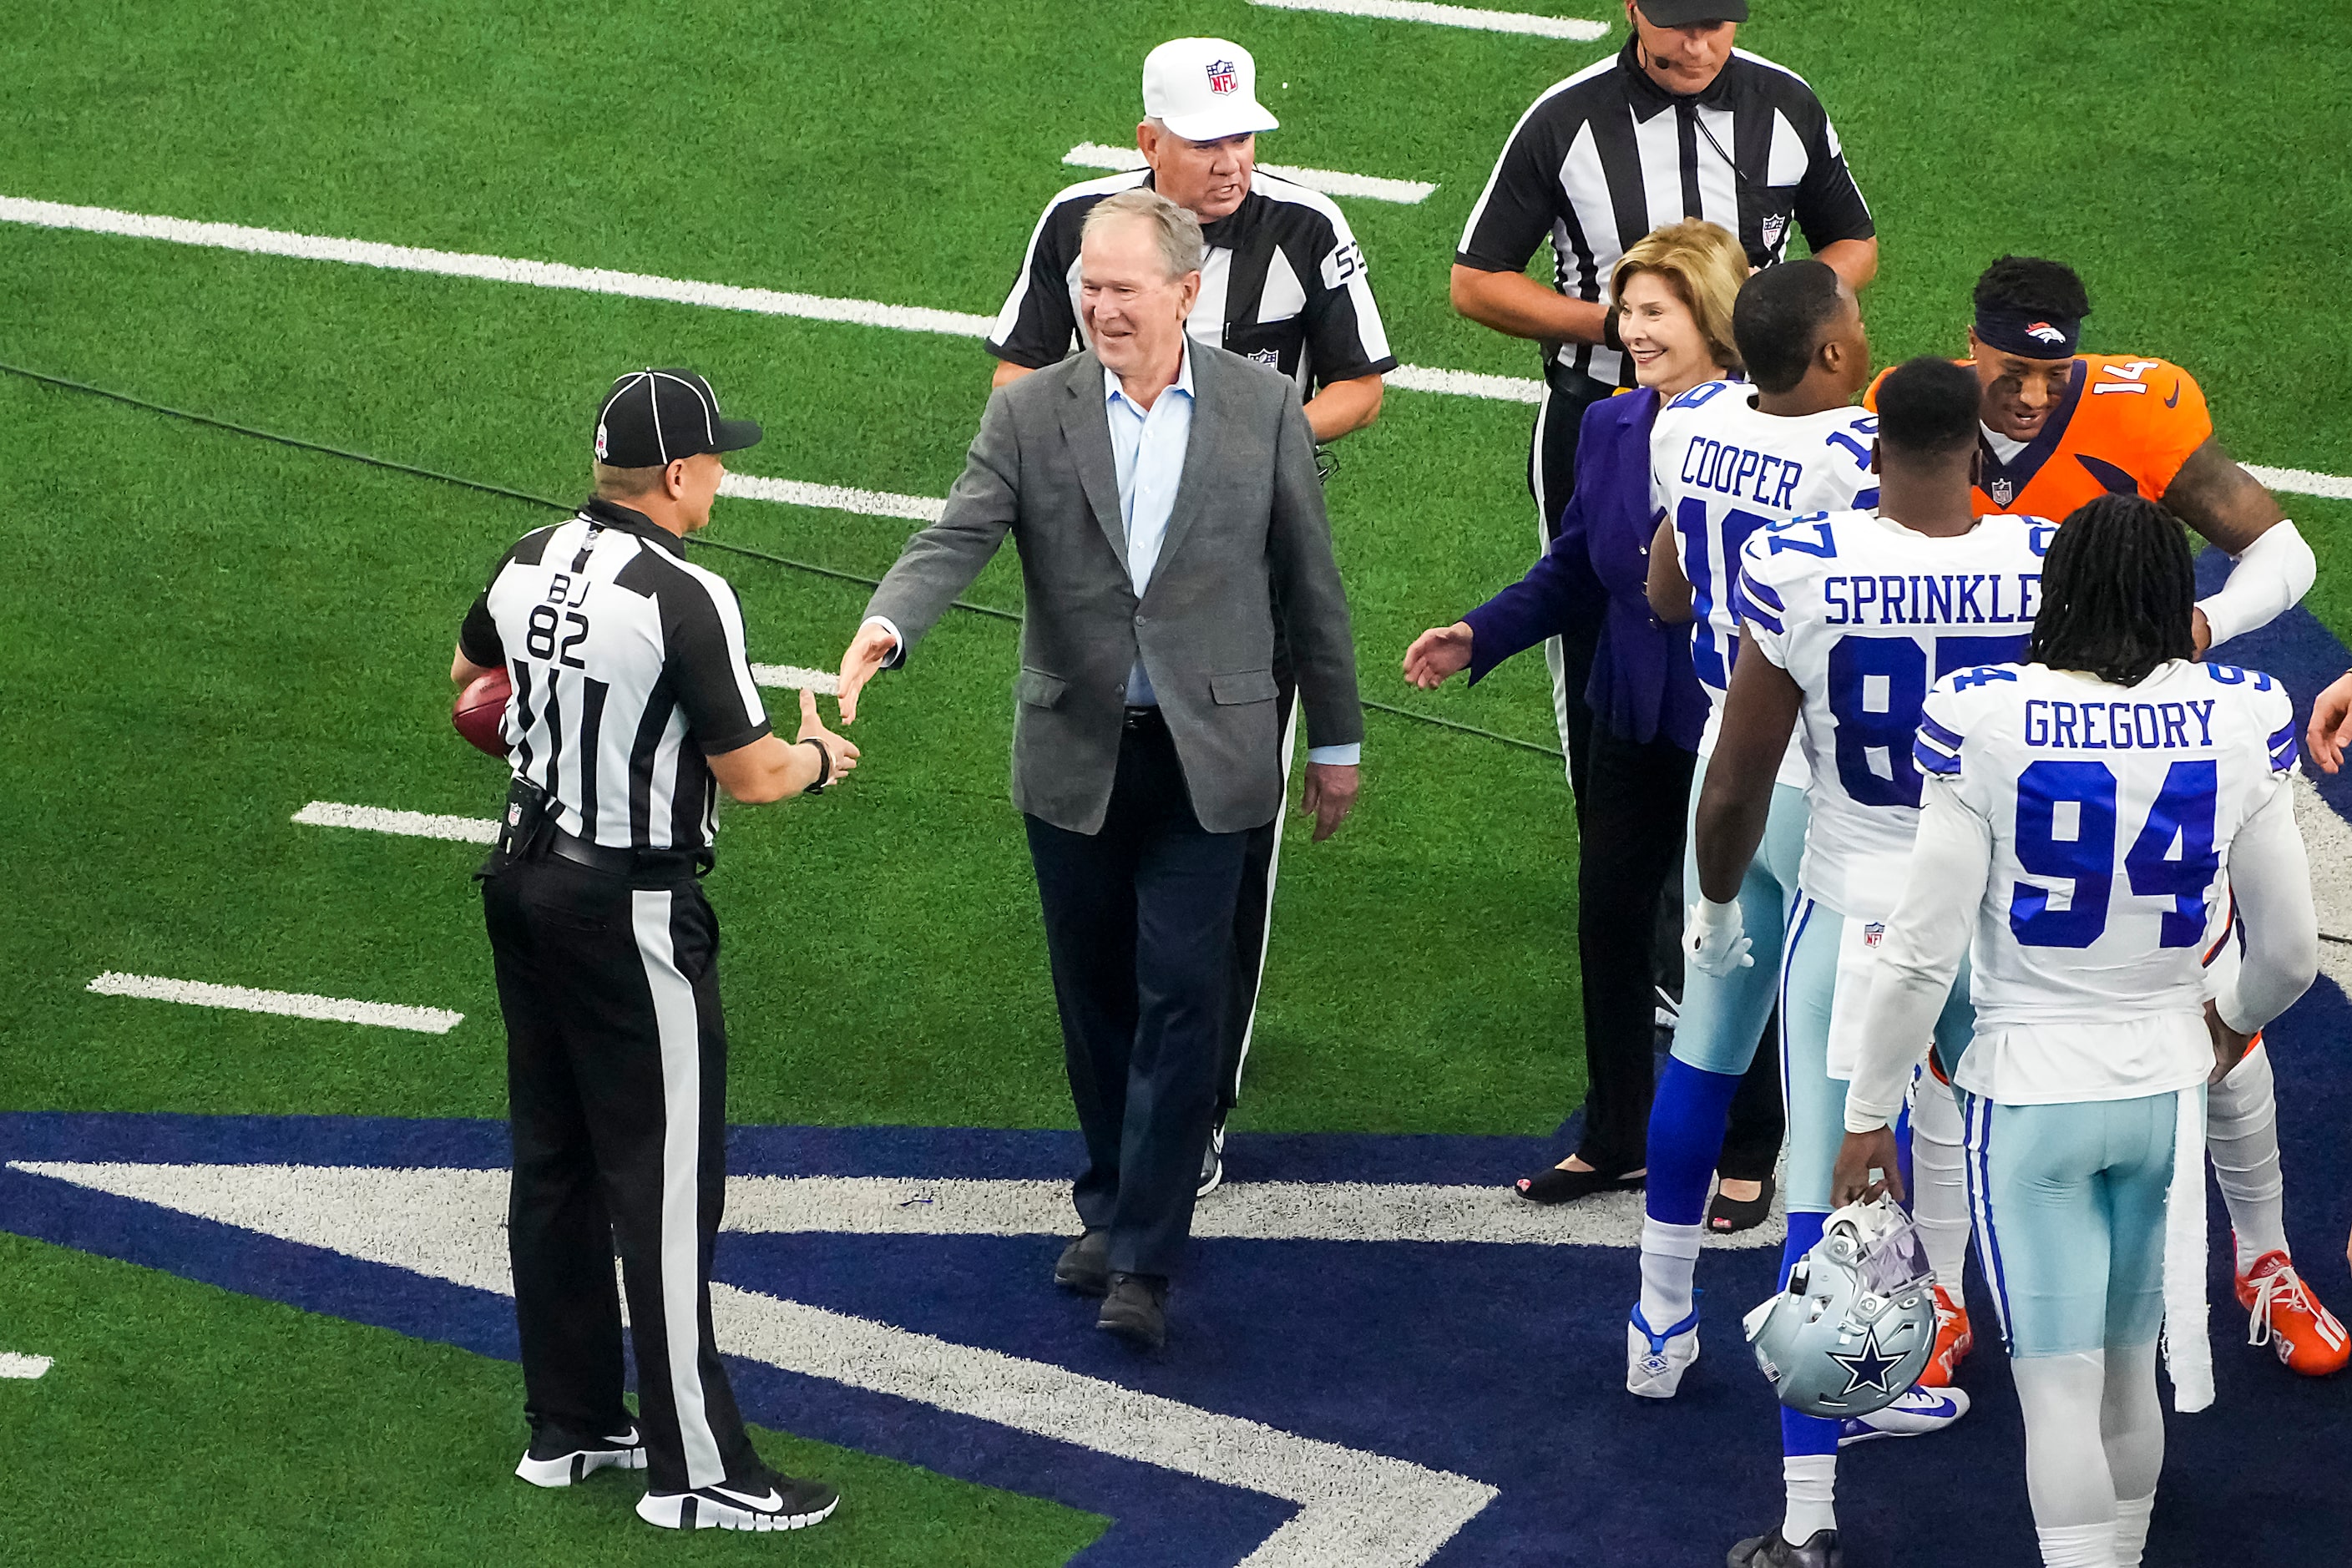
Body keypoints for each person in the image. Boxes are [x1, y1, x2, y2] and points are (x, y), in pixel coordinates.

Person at [836, 189, 1363, 1353]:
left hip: (1210, 757)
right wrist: (890, 623)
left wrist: (1335, 740)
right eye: (1089, 283)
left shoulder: (1267, 408)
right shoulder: (1034, 414)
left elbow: (1309, 587)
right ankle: (1115, 1197)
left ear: (1186, 292)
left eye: (1124, 286)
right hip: (1075, 752)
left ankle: (1144, 1255)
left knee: (1184, 993)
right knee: (1096, 1000)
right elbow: (958, 531)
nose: (1100, 304)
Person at [1868, 255, 2340, 1372]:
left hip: (2117, 745)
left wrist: (2203, 630)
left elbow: (2284, 549)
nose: (2029, 391)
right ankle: (1940, 1283)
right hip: (1980, 756)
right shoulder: (1921, 414)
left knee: (2220, 1004)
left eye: (2050, 367)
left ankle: (2262, 1258)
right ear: (1969, 342)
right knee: (1947, 1020)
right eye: (2009, 366)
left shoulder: (2137, 413)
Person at [1834, 495, 2320, 1568]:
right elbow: (2289, 954)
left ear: (2060, 591)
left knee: (2056, 1394)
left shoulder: (1983, 713)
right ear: (2172, 597)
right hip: (2160, 1091)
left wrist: (1869, 1116)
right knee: (2123, 1366)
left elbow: (1920, 949)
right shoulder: (2239, 711)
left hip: (2031, 1092)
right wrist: (2225, 1027)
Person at [987, 36, 1397, 1194]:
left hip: (1241, 575)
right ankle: (1127, 1085)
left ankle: (1201, 1093)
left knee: (1230, 842)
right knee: (1096, 831)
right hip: (1105, 579)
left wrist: (1238, 457)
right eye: (1209, 139)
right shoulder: (1082, 224)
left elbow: (1358, 382)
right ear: (1147, 142)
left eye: (1245, 136)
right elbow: (1017, 379)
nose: (1233, 160)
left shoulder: (1305, 227)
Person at [453, 369, 857, 1533]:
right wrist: (823, 755)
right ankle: (698, 1469)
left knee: (558, 1158)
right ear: (677, 475)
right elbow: (755, 771)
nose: (722, 474)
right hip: (626, 910)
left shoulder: (523, 557)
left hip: (521, 877)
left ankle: (570, 1423)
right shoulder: (689, 594)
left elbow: (471, 682)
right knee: (666, 1186)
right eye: (715, 459)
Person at [1695, 357, 2053, 1565]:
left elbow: (1739, 772)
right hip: (2002, 919)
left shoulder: (1807, 566)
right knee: (2037, 1172)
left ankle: (1807, 1520)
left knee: (1823, 1191)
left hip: (1857, 902)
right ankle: (2087, 1482)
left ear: (1876, 443)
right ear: (1975, 448)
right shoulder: (2039, 560)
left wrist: (1711, 899)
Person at [1625, 256, 1993, 1401]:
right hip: (1832, 795)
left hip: (1720, 772)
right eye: (1857, 325)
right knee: (1873, 1091)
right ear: (1833, 353)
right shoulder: (1850, 458)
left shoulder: (1686, 422)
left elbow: (1667, 593)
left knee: (1705, 1045)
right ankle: (1864, 1362)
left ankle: (1657, 1319)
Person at [1404, 220, 1782, 1206]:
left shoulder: (1772, 438)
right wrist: (1477, 635)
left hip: (1727, 720)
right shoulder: (1613, 427)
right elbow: (1576, 564)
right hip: (1626, 708)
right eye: (1626, 310)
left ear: (1712, 316)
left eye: (1654, 311)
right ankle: (1617, 1131)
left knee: (1732, 922)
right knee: (1609, 921)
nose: (1631, 328)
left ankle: (1751, 1143)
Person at [1452, 0, 1877, 789]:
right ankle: (1612, 846)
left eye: (1718, 23)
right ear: (1633, 10)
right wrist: (1628, 326)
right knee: (1594, 617)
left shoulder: (1785, 104)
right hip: (1605, 417)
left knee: (1764, 613)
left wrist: (1773, 317)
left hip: (1760, 419)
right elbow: (1476, 281)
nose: (1699, 43)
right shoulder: (1566, 118)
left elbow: (1852, 240)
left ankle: (1747, 834)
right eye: (1680, 22)